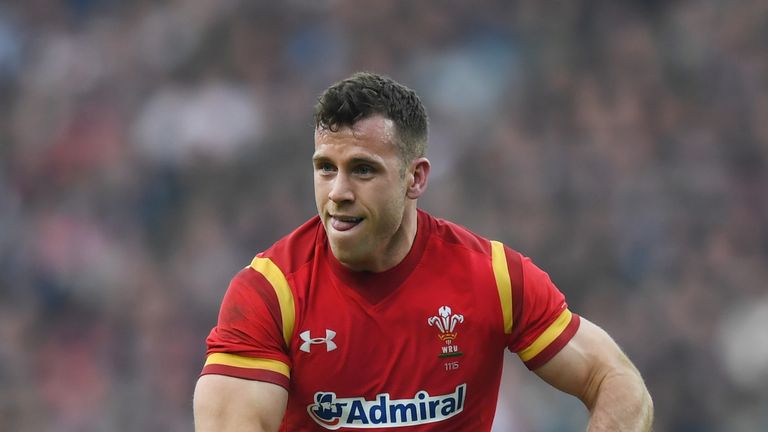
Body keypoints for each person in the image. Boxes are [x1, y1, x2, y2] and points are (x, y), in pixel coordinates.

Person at [193, 72, 653, 431]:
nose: (338, 192)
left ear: (415, 178)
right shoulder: (269, 292)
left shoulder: (493, 277)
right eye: (325, 168)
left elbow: (616, 380)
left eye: (362, 170)